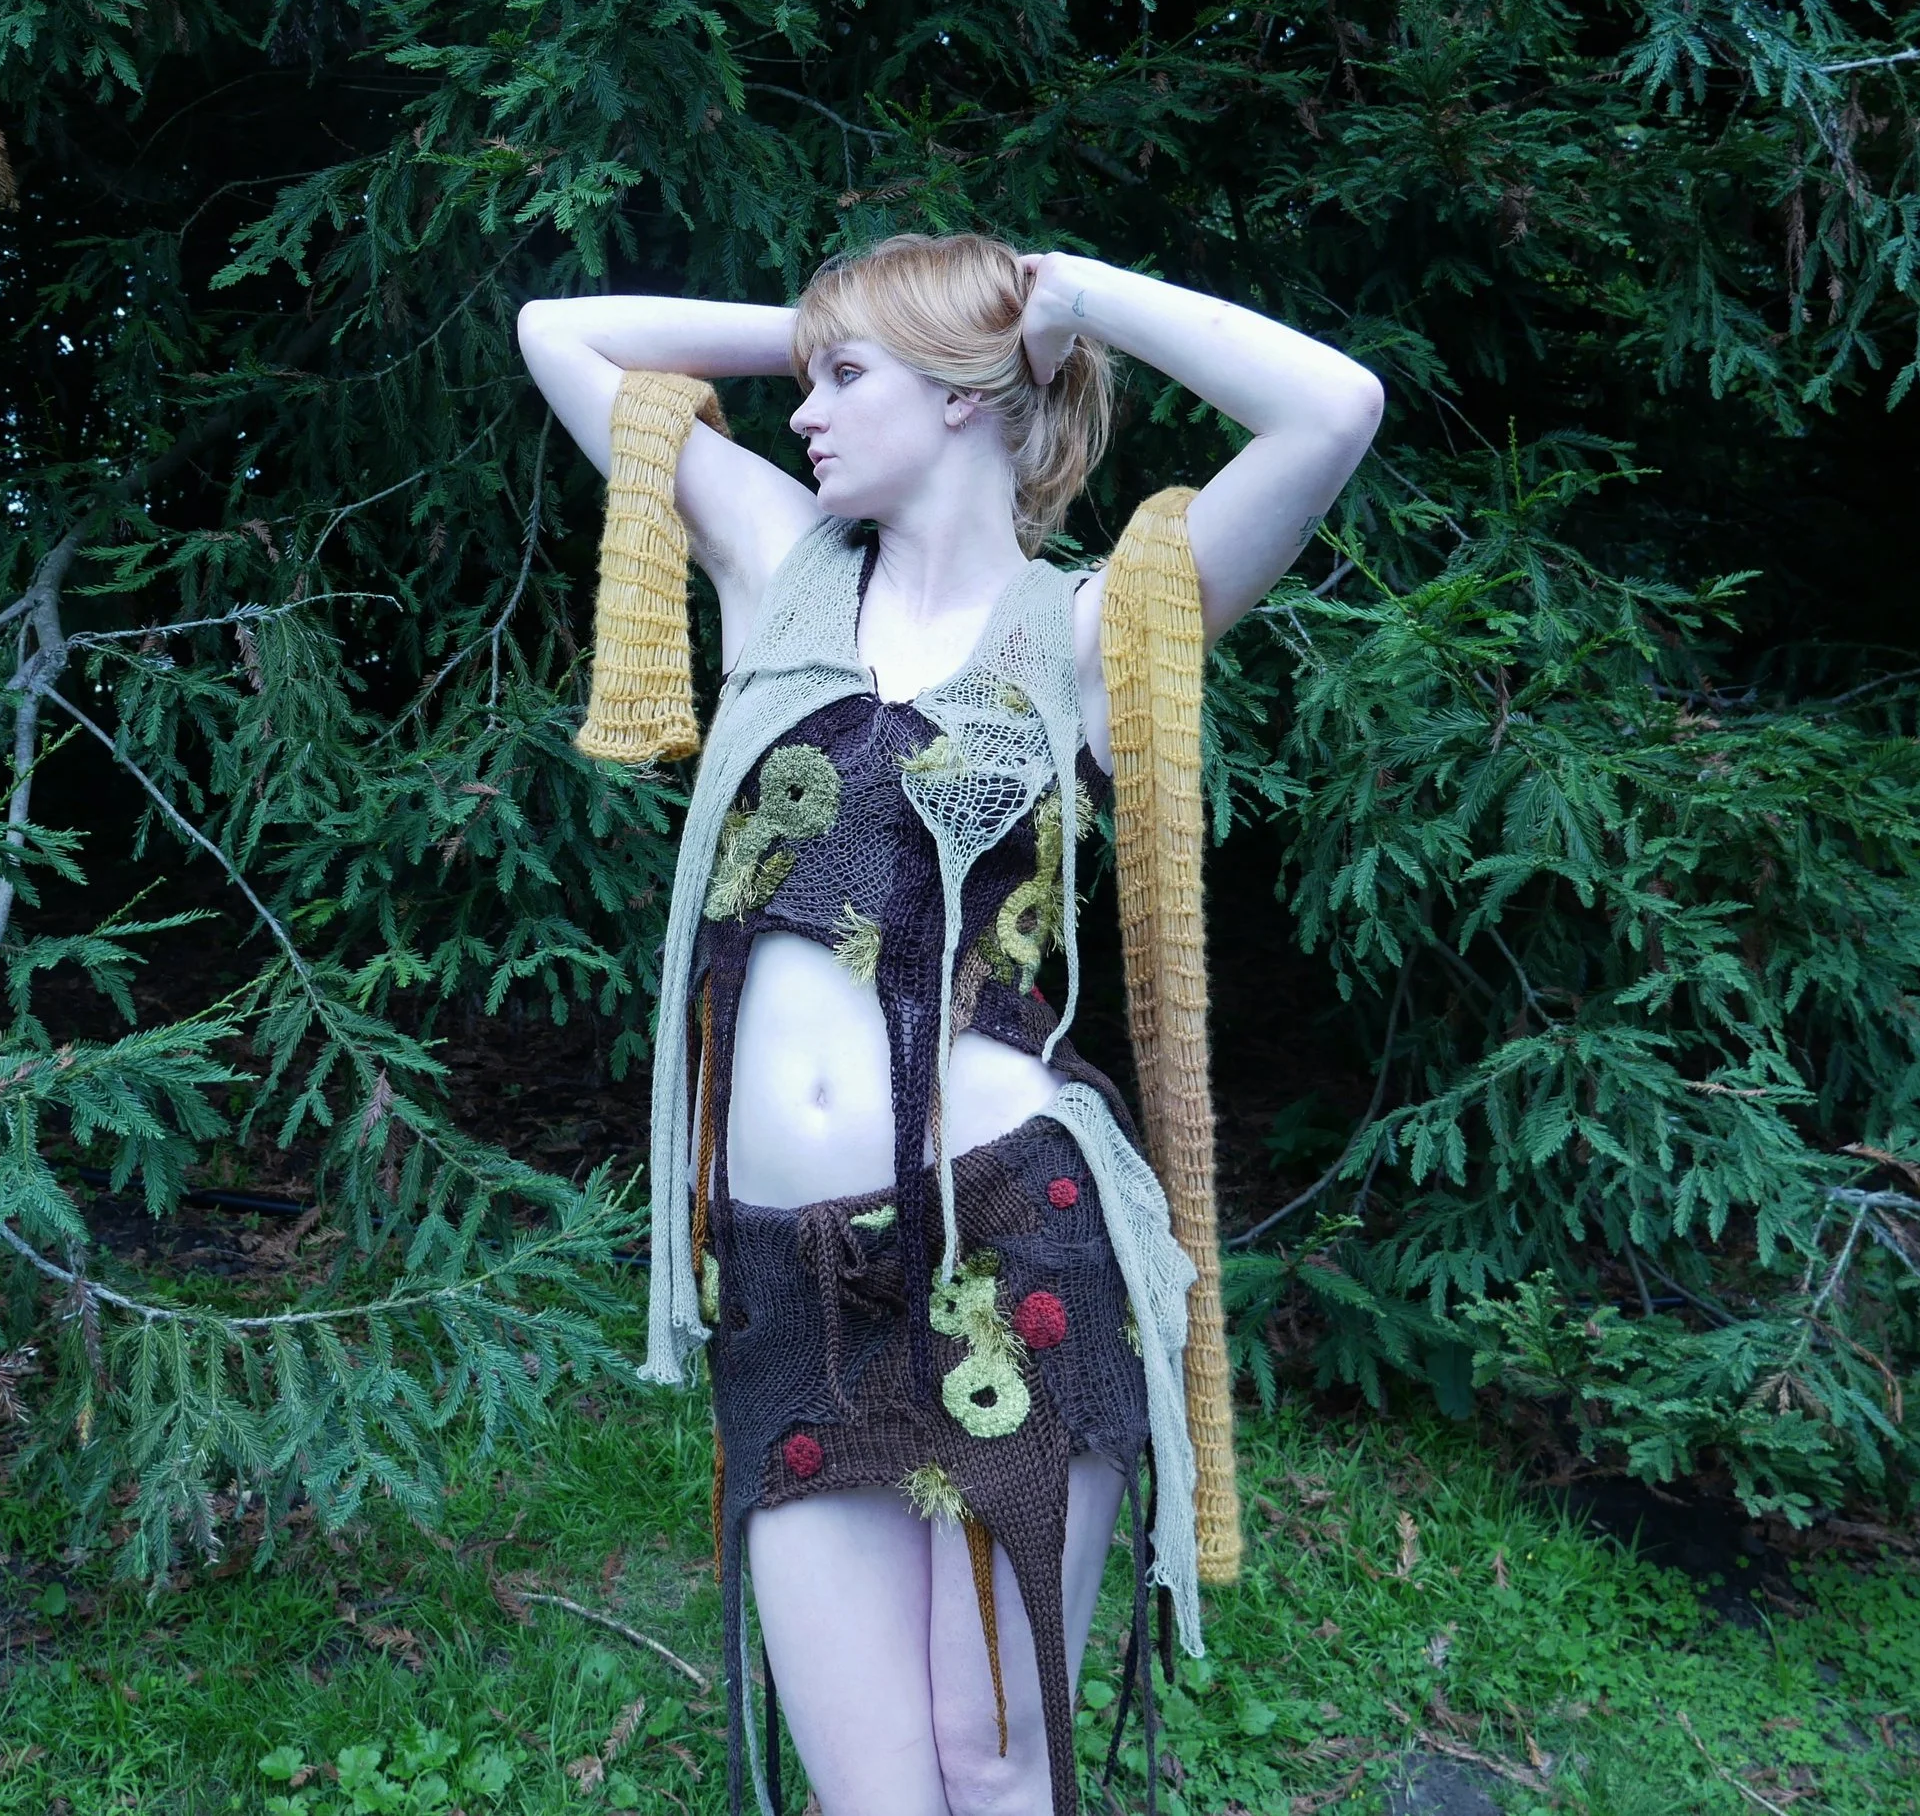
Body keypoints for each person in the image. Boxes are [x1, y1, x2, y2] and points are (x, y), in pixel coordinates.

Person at [518, 235, 1381, 1816]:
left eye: (849, 382)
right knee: (872, 1792)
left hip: (1014, 1248)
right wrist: (833, 332)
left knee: (994, 1764)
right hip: (786, 1263)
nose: (802, 412)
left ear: (975, 400)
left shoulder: (1091, 631)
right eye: (810, 378)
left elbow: (1333, 409)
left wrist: (1080, 303)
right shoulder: (776, 557)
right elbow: (558, 331)